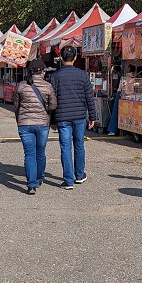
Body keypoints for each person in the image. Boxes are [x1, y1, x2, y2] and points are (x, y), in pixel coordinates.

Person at [50, 46, 98, 189]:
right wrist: (93, 116)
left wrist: (52, 120)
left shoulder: (55, 76)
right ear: (76, 57)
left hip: (62, 116)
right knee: (79, 145)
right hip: (79, 116)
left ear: (61, 58)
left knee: (65, 147)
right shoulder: (83, 75)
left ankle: (68, 180)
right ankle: (79, 174)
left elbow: (52, 100)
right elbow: (89, 97)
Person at [13, 58, 58, 194]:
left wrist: (19, 120)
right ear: (43, 72)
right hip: (42, 124)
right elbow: (53, 105)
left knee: (29, 154)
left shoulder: (21, 86)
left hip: (25, 124)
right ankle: (39, 178)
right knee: (40, 152)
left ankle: (31, 184)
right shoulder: (47, 86)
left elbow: (16, 106)